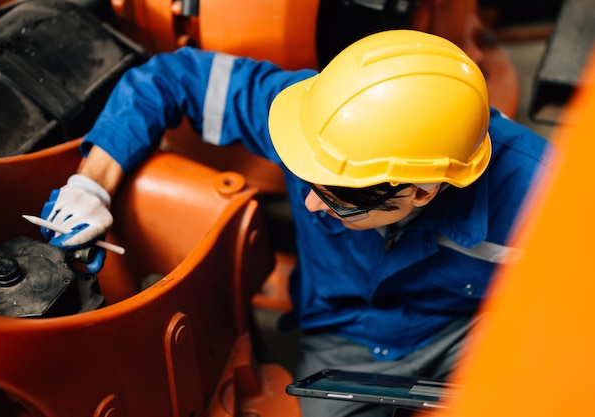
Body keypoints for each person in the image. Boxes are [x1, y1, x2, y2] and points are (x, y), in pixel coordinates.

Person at [39, 30, 553, 416]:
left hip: (466, 332)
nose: (307, 205)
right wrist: (92, 183)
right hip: (342, 339)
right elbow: (172, 78)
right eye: (307, 180)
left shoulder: (541, 196)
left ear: (422, 190)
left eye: (336, 200)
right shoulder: (319, 122)